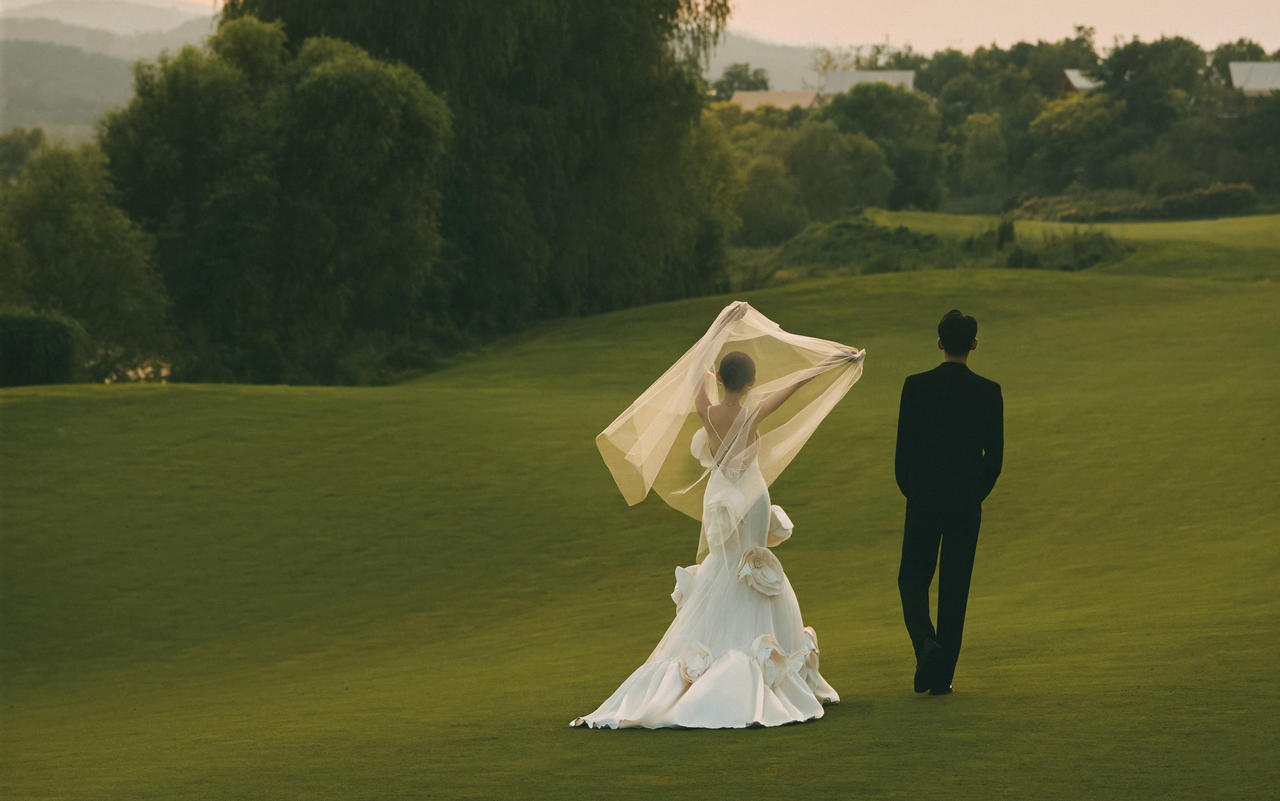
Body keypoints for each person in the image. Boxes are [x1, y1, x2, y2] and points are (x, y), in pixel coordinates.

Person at [573, 301, 864, 729]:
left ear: (721, 380)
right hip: (750, 495)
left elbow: (693, 376)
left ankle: (720, 650)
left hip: (720, 496)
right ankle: (762, 660)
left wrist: (718, 331)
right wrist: (829, 363)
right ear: (749, 384)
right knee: (753, 565)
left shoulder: (707, 411)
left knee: (725, 567)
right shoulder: (749, 414)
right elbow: (791, 390)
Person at [894, 309, 1003, 695]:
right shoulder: (989, 391)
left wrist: (912, 490)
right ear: (973, 343)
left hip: (923, 498)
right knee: (955, 586)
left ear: (939, 342)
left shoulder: (915, 386)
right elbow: (995, 458)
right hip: (965, 502)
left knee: (912, 578)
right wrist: (974, 493)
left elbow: (903, 451)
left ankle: (926, 646)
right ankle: (942, 676)